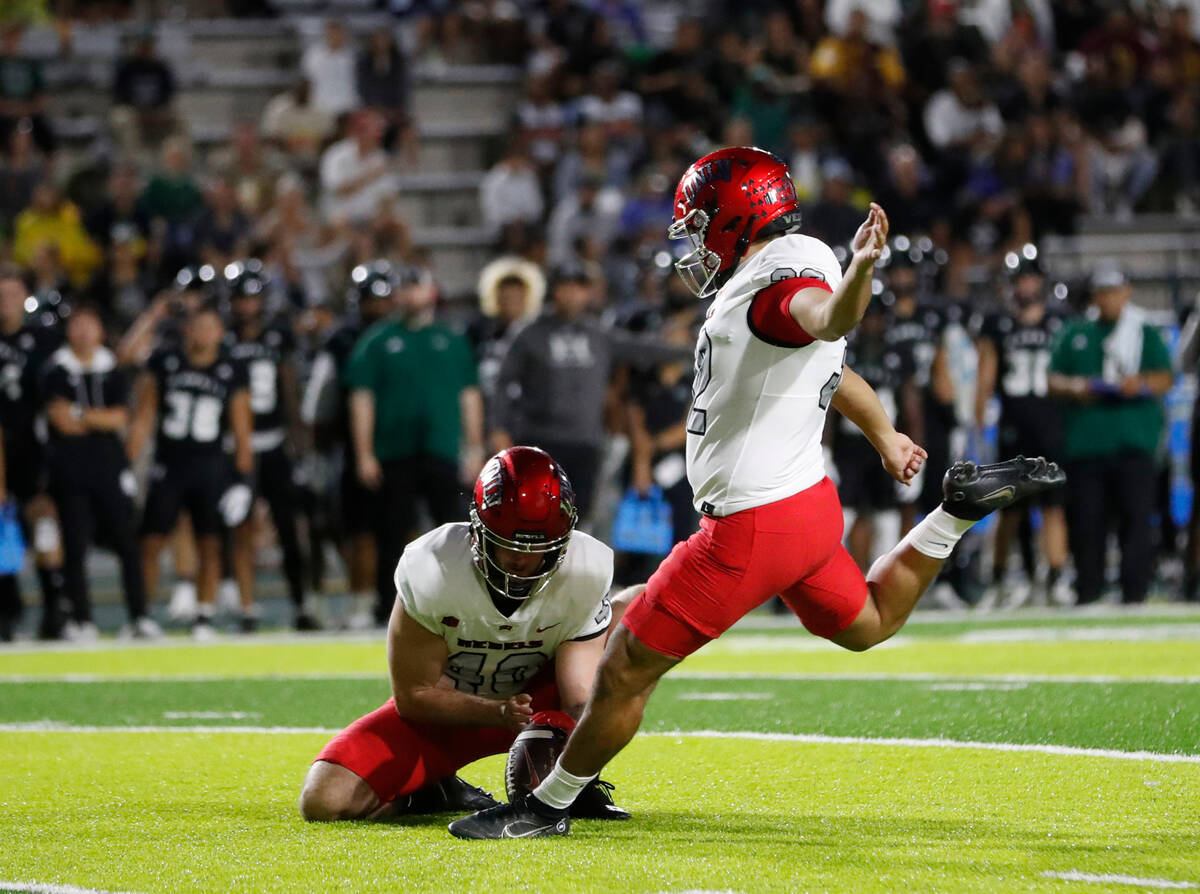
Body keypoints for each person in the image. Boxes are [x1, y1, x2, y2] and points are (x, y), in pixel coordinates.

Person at [448, 147, 1064, 839]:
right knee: (867, 622)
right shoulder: (782, 273)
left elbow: (828, 320)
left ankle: (547, 805)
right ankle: (952, 516)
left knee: (623, 670)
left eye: (699, 224)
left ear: (737, 217)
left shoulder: (777, 290)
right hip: (804, 505)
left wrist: (861, 273)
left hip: (750, 527)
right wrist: (885, 434)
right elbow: (831, 367)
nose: (693, 242)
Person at [299, 446, 631, 822]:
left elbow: (576, 698)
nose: (521, 561)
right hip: (449, 715)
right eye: (507, 546)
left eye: (538, 548)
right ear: (477, 532)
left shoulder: (584, 569)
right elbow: (414, 695)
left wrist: (570, 766)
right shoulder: (433, 568)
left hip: (538, 706)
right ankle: (429, 791)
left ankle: (582, 789)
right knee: (324, 800)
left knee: (638, 608)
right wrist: (497, 711)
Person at [344, 264, 485, 624]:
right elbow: (362, 399)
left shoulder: (452, 339)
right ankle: (387, 608)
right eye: (404, 288)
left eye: (416, 286)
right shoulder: (377, 341)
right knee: (391, 532)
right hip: (394, 452)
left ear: (432, 292)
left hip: (441, 450)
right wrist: (364, 454)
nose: (410, 295)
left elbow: (469, 396)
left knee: (454, 534)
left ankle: (457, 607)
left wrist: (473, 447)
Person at [127, 302, 254, 639]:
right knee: (151, 540)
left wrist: (243, 479)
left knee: (210, 543)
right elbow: (144, 416)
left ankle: (204, 615)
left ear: (220, 333)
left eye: (210, 327)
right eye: (198, 326)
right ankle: (141, 614)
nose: (203, 334)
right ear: (187, 330)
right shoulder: (166, 362)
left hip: (210, 465)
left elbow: (242, 428)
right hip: (169, 464)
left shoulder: (231, 369)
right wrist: (126, 465)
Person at [1048, 265, 1172, 604]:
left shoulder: (1143, 331)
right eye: (1102, 292)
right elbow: (1051, 379)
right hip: (1088, 445)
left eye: (1114, 291)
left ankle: (1136, 592)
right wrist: (1078, 387)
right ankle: (1089, 590)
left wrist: (1140, 384)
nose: (1108, 299)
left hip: (1134, 442)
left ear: (1127, 293)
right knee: (1088, 523)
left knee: (1136, 521)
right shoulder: (1077, 332)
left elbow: (1165, 377)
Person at [41, 303, 155, 637]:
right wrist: (98, 418)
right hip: (70, 468)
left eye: (90, 324)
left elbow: (121, 417)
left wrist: (80, 413)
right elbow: (60, 422)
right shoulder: (55, 370)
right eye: (77, 325)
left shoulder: (113, 369)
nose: (84, 332)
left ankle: (139, 616)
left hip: (109, 465)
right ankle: (82, 619)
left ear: (101, 331)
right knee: (74, 544)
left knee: (126, 541)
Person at [300, 262, 394, 629]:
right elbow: (320, 401)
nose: (376, 307)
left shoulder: (403, 335)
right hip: (351, 447)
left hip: (401, 446)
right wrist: (320, 446)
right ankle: (362, 600)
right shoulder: (342, 339)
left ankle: (390, 602)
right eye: (371, 299)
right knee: (357, 529)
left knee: (399, 529)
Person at [974, 249, 1070, 607]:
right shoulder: (998, 322)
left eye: (1030, 279)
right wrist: (979, 422)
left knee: (1053, 504)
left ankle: (1056, 576)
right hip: (1013, 423)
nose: (1026, 286)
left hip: (1050, 421)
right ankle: (998, 579)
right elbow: (986, 373)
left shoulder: (1059, 320)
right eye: (1020, 279)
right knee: (1008, 507)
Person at [223, 261, 315, 632]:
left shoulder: (278, 336)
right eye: (241, 299)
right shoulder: (223, 338)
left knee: (289, 528)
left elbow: (289, 390)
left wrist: (299, 442)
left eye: (252, 298)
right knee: (239, 528)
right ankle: (246, 608)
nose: (247, 306)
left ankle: (301, 602)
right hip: (234, 445)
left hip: (275, 443)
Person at [0, 267, 66, 639]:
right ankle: (7, 610)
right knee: (1, 526)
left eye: (11, 294)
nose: (5, 302)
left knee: (43, 521)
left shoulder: (45, 339)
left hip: (34, 443)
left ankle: (54, 607)